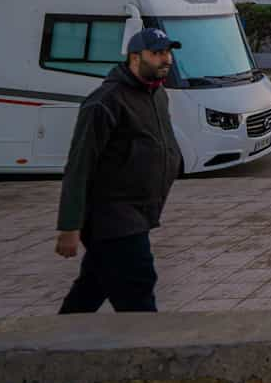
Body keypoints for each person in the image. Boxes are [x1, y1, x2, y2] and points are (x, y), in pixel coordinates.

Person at [55, 27, 186, 313]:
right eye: (157, 53)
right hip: (112, 215)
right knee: (137, 283)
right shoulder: (105, 101)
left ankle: (57, 338)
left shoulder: (157, 95)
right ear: (135, 58)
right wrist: (69, 226)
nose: (166, 60)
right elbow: (79, 166)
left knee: (94, 285)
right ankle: (144, 347)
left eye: (168, 52)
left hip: (139, 211)